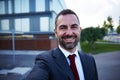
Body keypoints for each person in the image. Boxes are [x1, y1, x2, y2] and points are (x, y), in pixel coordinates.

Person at [25, 9, 98, 80]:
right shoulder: (45, 61)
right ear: (56, 33)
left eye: (74, 27)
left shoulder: (90, 60)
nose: (69, 33)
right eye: (63, 28)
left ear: (80, 30)